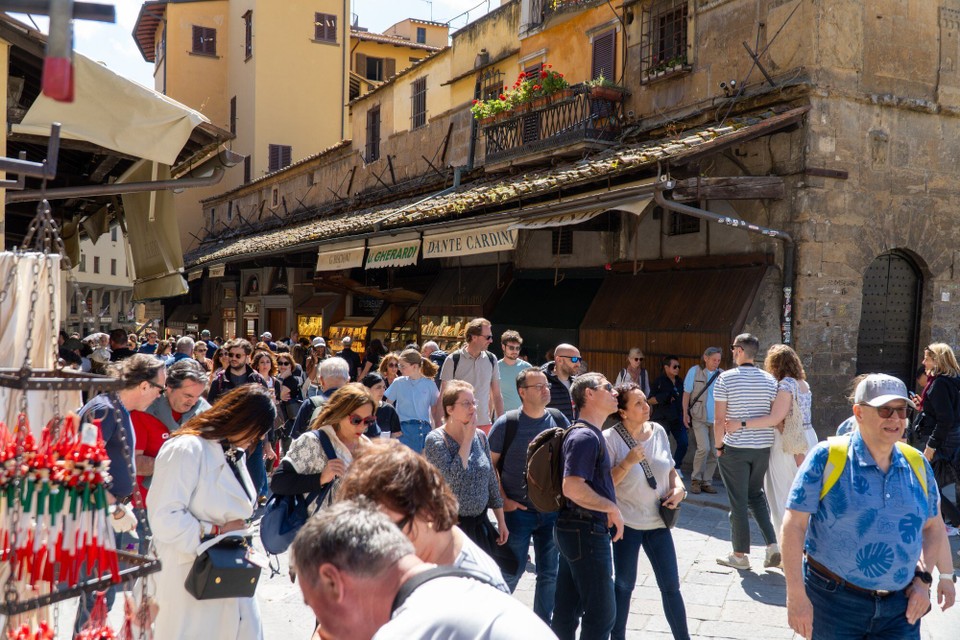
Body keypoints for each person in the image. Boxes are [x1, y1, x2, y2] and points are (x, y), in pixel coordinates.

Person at [781, 373, 955, 640]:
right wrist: (795, 596)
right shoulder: (826, 458)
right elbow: (794, 525)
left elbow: (933, 526)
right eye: (885, 410)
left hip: (900, 608)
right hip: (833, 602)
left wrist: (925, 581)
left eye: (901, 410)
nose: (895, 419)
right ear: (859, 413)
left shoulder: (917, 464)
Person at [290, 500, 555, 640]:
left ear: (332, 580)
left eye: (313, 605)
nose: (323, 630)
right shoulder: (464, 586)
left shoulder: (406, 629)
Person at [147, 385, 275, 640]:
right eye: (257, 430)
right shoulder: (186, 448)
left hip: (227, 573)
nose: (259, 438)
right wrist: (215, 531)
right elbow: (164, 517)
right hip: (189, 576)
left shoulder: (232, 452)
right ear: (241, 419)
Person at [74, 353, 166, 631]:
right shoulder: (103, 409)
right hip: (98, 514)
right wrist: (114, 506)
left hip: (110, 514)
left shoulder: (116, 408)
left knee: (104, 593)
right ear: (144, 386)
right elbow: (81, 467)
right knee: (98, 595)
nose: (160, 396)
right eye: (160, 389)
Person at [340, 439, 508, 591]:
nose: (381, 544)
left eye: (389, 529)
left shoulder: (472, 587)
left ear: (426, 509)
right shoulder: (419, 563)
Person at [605, 383, 689, 640]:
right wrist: (628, 462)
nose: (646, 407)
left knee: (671, 587)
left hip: (658, 525)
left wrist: (679, 489)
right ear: (623, 412)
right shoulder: (610, 439)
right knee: (623, 586)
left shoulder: (660, 431)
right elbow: (606, 483)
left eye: (645, 401)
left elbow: (671, 470)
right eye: (638, 404)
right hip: (626, 525)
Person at [488, 367, 568, 623]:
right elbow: (490, 467)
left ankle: (541, 626)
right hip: (517, 512)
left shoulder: (558, 419)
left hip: (551, 512)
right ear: (522, 392)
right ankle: (491, 620)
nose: (546, 390)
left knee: (549, 574)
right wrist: (503, 502)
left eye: (547, 385)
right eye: (539, 386)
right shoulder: (507, 423)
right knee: (511, 570)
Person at [552, 372, 624, 640]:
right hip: (585, 532)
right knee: (603, 613)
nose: (615, 391)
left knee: (567, 610)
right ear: (589, 394)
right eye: (608, 387)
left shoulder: (588, 434)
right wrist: (611, 508)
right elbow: (571, 486)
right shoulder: (585, 437)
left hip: (576, 530)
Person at [727, 344, 819, 539]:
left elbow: (775, 419)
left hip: (788, 442)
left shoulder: (786, 385)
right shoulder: (803, 384)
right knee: (803, 496)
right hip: (808, 438)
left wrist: (740, 424)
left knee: (781, 495)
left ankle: (786, 547)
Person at [713, 333, 780, 570]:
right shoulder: (770, 380)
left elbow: (719, 419)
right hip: (762, 447)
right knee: (756, 495)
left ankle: (739, 555)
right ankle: (773, 546)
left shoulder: (726, 379)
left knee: (738, 501)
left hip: (736, 448)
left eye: (733, 348)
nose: (732, 352)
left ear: (740, 350)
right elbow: (772, 416)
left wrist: (719, 445)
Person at [424, 380, 508, 567]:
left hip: (480, 525)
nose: (473, 408)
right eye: (466, 403)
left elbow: (491, 480)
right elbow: (453, 480)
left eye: (474, 402)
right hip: (451, 529)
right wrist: (467, 439)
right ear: (450, 409)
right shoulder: (436, 440)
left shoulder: (480, 436)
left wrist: (501, 521)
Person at [270, 383, 375, 513]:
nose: (362, 426)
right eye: (356, 420)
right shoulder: (312, 441)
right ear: (339, 414)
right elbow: (278, 482)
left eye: (368, 421)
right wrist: (320, 479)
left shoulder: (368, 445)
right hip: (319, 529)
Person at [133, 359, 212, 502]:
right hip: (149, 502)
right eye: (188, 395)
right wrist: (177, 464)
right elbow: (134, 463)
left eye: (197, 397)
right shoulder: (144, 411)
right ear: (169, 387)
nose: (193, 402)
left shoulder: (204, 412)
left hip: (190, 501)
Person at [207, 338, 270, 502]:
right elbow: (210, 411)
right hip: (227, 438)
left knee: (253, 481)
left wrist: (266, 438)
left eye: (238, 355)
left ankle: (249, 511)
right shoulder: (219, 381)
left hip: (252, 439)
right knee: (228, 479)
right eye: (230, 354)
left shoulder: (257, 380)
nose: (233, 358)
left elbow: (267, 411)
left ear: (247, 357)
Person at [913, 343, 960, 529]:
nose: (924, 362)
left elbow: (945, 418)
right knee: (943, 481)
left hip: (943, 439)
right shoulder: (952, 380)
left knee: (932, 481)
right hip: (951, 436)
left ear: (937, 360)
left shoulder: (939, 384)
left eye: (927, 358)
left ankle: (954, 521)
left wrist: (931, 446)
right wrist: (924, 407)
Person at [436, 318, 503, 434]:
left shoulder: (492, 359)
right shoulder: (453, 360)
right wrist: (439, 428)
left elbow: (496, 395)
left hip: (484, 425)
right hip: (458, 426)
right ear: (474, 337)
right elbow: (443, 397)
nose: (491, 341)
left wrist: (502, 424)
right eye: (488, 337)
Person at [682, 347, 723, 494]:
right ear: (705, 358)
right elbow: (686, 393)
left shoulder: (722, 375)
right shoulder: (694, 371)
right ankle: (695, 480)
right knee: (703, 448)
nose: (716, 363)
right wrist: (685, 413)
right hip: (699, 416)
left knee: (714, 451)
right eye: (713, 360)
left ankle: (707, 481)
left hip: (717, 419)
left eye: (718, 360)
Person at [384, 348, 440, 452]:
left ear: (414, 366)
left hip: (423, 430)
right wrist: (391, 429)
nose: (399, 368)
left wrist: (435, 431)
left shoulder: (430, 384)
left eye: (402, 366)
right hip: (402, 430)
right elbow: (388, 406)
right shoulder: (398, 382)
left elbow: (435, 411)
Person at [649, 355, 686, 475]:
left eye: (678, 366)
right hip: (662, 418)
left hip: (677, 417)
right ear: (666, 367)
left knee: (684, 442)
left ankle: (677, 466)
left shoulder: (680, 381)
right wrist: (664, 397)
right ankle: (663, 469)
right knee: (663, 445)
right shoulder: (659, 382)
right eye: (674, 366)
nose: (677, 369)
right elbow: (649, 400)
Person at [541, 342, 581, 422]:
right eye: (574, 359)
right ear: (559, 360)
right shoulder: (542, 381)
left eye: (579, 359)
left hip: (572, 432)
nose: (578, 364)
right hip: (551, 432)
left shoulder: (577, 383)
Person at [497, 329, 532, 412]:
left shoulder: (527, 367)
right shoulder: (495, 367)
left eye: (517, 348)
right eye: (511, 348)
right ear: (503, 347)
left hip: (524, 416)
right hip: (502, 417)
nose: (515, 351)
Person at [361, 372, 401, 439]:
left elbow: (396, 434)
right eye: (378, 387)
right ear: (367, 389)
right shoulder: (358, 409)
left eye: (384, 387)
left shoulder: (389, 409)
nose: (383, 391)